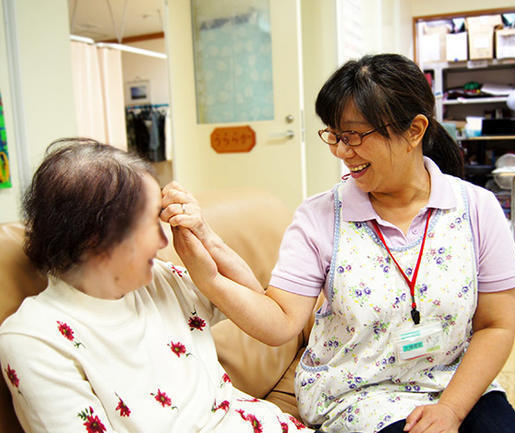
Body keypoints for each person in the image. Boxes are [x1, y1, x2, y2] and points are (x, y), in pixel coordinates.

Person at [161, 54, 515, 433]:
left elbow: (496, 326)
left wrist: (451, 409)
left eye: (353, 136)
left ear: (415, 131)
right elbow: (280, 321)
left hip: (454, 381)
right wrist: (209, 277)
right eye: (334, 135)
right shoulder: (320, 217)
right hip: (359, 395)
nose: (340, 151)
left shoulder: (476, 208)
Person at [0, 138, 311, 433]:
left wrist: (206, 237)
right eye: (151, 223)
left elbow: (257, 301)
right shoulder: (36, 338)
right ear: (97, 240)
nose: (165, 241)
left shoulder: (158, 279)